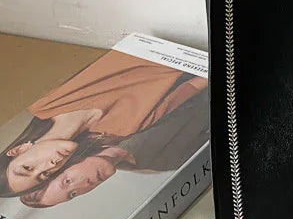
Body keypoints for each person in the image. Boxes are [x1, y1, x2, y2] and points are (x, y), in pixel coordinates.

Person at [0, 50, 207, 197]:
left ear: (19, 149)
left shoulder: (43, 99)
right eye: (44, 175)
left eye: (28, 167)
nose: (50, 166)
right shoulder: (124, 130)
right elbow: (194, 85)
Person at [20, 88, 209, 208]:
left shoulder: (99, 119)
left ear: (65, 163)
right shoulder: (159, 164)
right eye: (73, 194)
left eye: (68, 181)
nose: (85, 186)